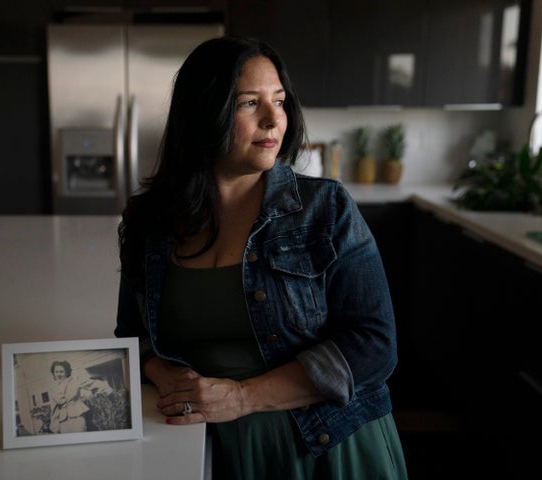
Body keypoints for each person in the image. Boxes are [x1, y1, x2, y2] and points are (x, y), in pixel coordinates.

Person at [114, 35, 408, 479]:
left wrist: (242, 397)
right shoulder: (151, 221)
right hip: (210, 447)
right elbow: (132, 337)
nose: (274, 120)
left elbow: (376, 347)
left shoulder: (326, 209)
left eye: (280, 101)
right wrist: (164, 373)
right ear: (203, 114)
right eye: (250, 103)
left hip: (327, 447)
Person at [49, 360, 90, 434]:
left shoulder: (74, 381)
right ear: (53, 373)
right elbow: (54, 409)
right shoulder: (53, 389)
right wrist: (54, 427)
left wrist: (106, 389)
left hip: (77, 417)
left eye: (61, 371)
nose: (59, 374)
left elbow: (90, 383)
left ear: (66, 372)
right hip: (63, 421)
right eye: (56, 372)